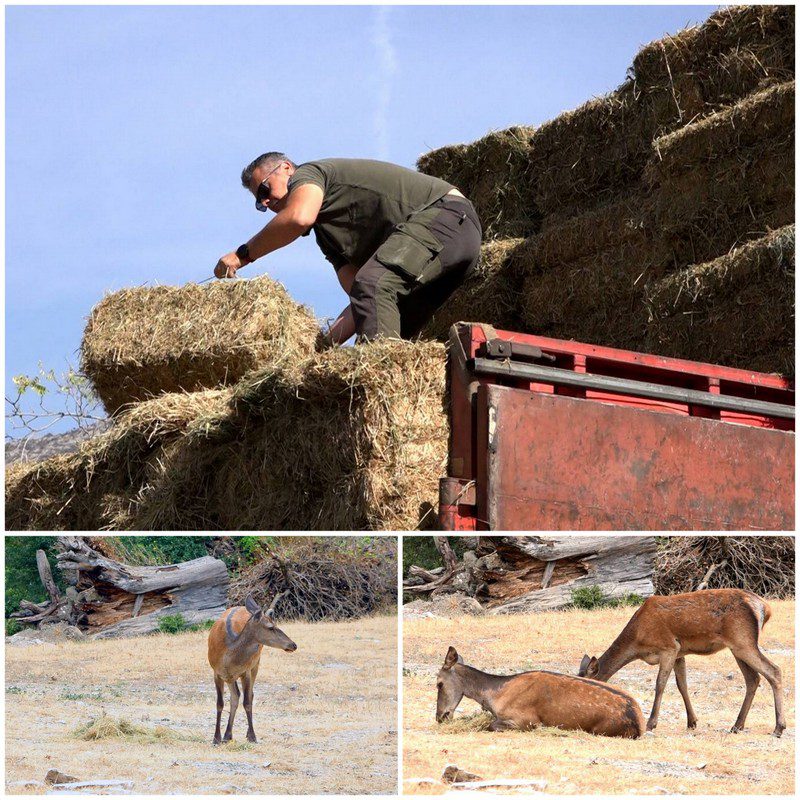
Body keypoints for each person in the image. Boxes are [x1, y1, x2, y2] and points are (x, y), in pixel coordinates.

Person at [214, 153, 482, 344]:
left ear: (286, 168)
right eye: (260, 203)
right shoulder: (328, 238)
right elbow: (360, 301)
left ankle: (376, 385)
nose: (266, 202)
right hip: (446, 250)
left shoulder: (310, 174)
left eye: (264, 189)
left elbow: (298, 218)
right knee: (393, 325)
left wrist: (243, 255)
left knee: (375, 286)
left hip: (447, 218)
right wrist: (318, 349)